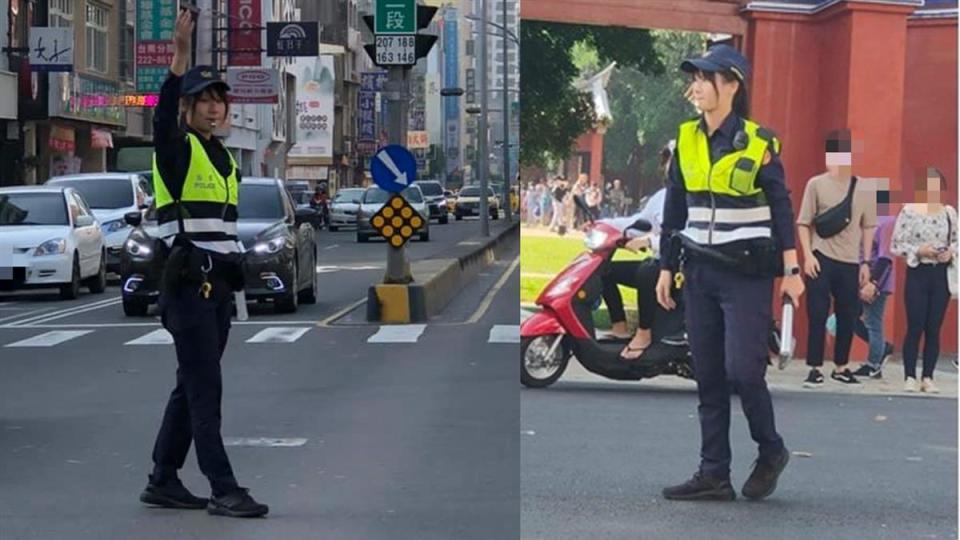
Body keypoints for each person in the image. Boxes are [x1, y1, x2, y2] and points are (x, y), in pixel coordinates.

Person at [655, 44, 804, 502]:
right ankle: (714, 472)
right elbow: (675, 208)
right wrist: (665, 266)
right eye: (695, 77)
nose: (695, 85)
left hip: (747, 275)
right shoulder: (684, 141)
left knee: (744, 370)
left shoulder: (760, 143)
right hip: (699, 271)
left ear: (732, 84)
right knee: (709, 375)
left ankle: (771, 449)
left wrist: (791, 268)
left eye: (705, 77)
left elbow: (781, 207)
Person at [141, 9, 269, 518]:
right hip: (187, 285)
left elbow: (221, 230)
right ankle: (223, 488)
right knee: (204, 391)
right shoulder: (176, 148)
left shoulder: (223, 157)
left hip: (217, 289)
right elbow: (161, 112)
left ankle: (163, 478)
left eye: (219, 98)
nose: (214, 107)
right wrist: (178, 56)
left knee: (191, 382)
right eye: (204, 100)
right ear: (188, 108)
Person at [796, 129, 877, 387]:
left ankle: (841, 366)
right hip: (821, 257)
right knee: (817, 313)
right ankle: (815, 366)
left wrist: (865, 262)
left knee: (847, 315)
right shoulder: (816, 184)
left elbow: (868, 226)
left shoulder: (864, 187)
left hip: (850, 261)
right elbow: (803, 223)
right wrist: (807, 256)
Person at [891, 167, 957, 393]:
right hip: (918, 272)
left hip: (941, 274)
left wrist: (951, 252)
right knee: (916, 324)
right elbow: (897, 244)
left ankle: (928, 376)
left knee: (933, 327)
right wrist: (919, 251)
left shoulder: (948, 213)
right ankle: (910, 375)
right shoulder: (909, 211)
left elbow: (957, 241)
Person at [851, 209, 896, 379]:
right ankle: (883, 348)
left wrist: (874, 284)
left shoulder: (886, 222)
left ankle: (874, 364)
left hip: (876, 280)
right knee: (851, 319)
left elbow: (886, 258)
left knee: (873, 322)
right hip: (859, 277)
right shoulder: (863, 220)